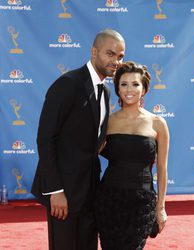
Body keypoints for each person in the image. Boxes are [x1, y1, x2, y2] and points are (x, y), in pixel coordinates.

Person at [31, 29, 125, 250]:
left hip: (90, 190)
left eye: (120, 56)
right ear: (94, 52)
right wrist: (55, 191)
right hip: (63, 193)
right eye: (110, 54)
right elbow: (45, 138)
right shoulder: (68, 84)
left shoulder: (106, 91)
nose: (116, 61)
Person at [95, 61, 169, 249]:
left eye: (135, 84)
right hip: (109, 199)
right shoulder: (107, 122)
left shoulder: (157, 123)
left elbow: (162, 168)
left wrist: (160, 207)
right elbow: (90, 154)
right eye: (124, 84)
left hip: (141, 201)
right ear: (118, 89)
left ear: (144, 89)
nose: (130, 89)